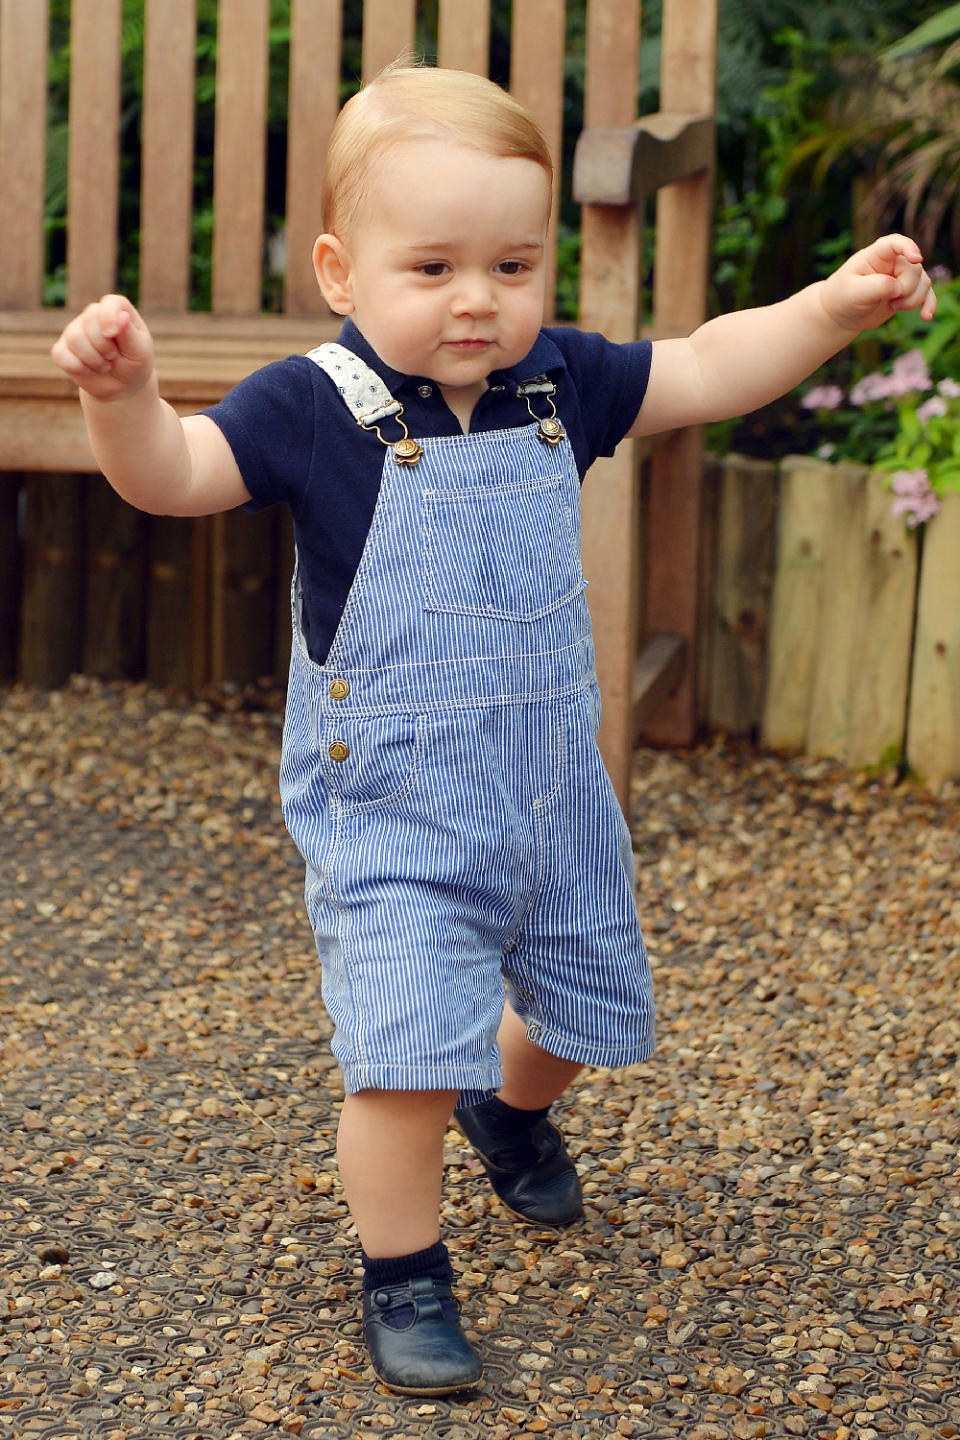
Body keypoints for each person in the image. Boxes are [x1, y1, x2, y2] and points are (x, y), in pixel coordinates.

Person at [51, 62, 935, 1398]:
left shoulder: (557, 379)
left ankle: (511, 1110)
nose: (481, 299)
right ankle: (404, 1274)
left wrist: (826, 307)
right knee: (403, 1060)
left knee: (585, 1010)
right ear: (342, 273)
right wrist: (121, 398)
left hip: (545, 786)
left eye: (514, 264)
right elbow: (172, 477)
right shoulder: (311, 407)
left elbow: (701, 366)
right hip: (393, 807)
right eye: (436, 267)